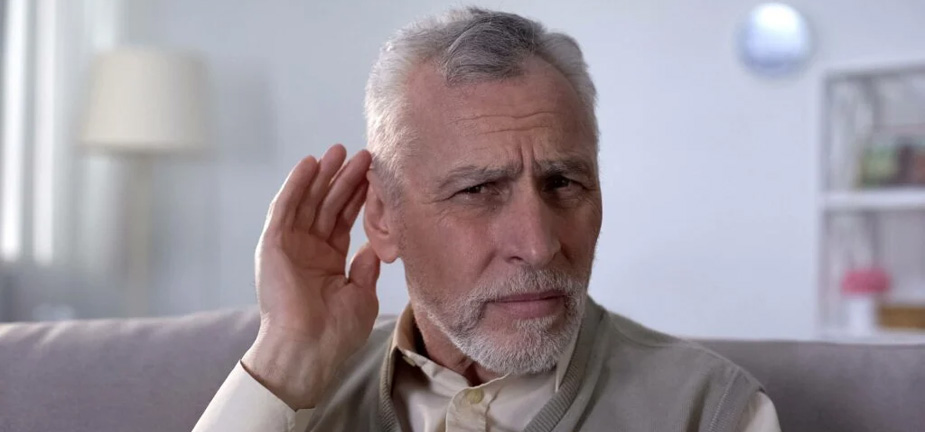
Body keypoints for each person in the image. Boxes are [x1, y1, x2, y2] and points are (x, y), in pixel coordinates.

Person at [193, 7, 781, 432]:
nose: (539, 243)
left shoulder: (712, 411)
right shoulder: (294, 397)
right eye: (478, 190)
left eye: (564, 183)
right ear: (382, 216)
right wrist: (287, 356)